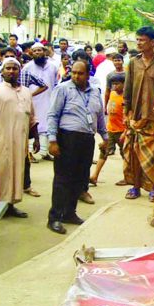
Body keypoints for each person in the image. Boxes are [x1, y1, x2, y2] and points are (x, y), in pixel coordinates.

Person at [45, 60, 108, 235]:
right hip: (67, 138)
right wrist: (52, 140)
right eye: (73, 72)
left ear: (88, 74)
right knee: (62, 180)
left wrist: (105, 137)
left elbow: (100, 117)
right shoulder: (63, 89)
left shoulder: (95, 92)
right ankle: (55, 218)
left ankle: (69, 213)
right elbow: (52, 115)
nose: (76, 76)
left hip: (87, 139)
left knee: (80, 179)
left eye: (80, 73)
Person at [0, 57, 38, 218]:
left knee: (16, 172)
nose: (11, 71)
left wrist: (36, 137)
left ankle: (10, 205)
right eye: (8, 68)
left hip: (20, 140)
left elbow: (31, 116)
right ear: (2, 71)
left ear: (19, 71)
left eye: (15, 68)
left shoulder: (26, 91)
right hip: (0, 139)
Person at [123, 26, 154, 201]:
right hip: (135, 117)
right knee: (134, 154)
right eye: (137, 40)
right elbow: (127, 91)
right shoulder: (133, 63)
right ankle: (135, 187)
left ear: (153, 42)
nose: (138, 43)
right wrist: (125, 113)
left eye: (142, 40)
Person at [22, 43, 58, 159]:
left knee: (47, 126)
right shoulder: (27, 67)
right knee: (33, 125)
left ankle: (45, 151)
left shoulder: (53, 66)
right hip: (33, 101)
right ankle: (29, 153)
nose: (37, 53)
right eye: (35, 51)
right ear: (32, 53)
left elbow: (55, 84)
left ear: (44, 52)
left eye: (39, 50)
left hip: (49, 100)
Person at [90, 74, 126, 185]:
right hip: (110, 129)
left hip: (122, 131)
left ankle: (127, 177)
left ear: (124, 84)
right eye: (113, 84)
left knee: (126, 155)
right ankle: (94, 176)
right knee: (103, 152)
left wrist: (125, 132)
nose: (115, 86)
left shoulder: (126, 97)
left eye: (117, 84)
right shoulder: (112, 94)